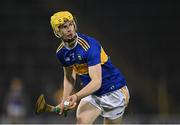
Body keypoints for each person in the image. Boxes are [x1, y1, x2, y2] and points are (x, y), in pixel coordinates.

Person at [50, 11, 130, 124]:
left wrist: (76, 96)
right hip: (93, 94)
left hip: (114, 91)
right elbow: (69, 77)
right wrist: (64, 100)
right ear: (57, 32)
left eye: (71, 24)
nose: (69, 29)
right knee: (81, 122)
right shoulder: (61, 53)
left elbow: (97, 82)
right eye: (64, 27)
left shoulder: (89, 45)